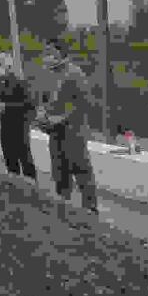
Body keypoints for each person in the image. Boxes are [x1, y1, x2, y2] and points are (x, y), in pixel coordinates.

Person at [37, 39, 98, 214]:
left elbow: (81, 103)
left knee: (81, 168)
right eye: (45, 52)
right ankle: (63, 207)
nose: (47, 55)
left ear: (60, 52)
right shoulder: (48, 74)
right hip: (55, 133)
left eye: (50, 52)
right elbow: (43, 98)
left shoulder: (74, 73)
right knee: (59, 169)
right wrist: (42, 114)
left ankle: (90, 209)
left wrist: (61, 118)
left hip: (74, 131)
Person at [0, 51, 36, 179]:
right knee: (9, 158)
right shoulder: (0, 84)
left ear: (8, 66)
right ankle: (14, 187)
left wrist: (6, 107)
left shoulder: (19, 83)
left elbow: (29, 105)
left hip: (20, 126)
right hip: (5, 126)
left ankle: (32, 188)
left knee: (25, 158)